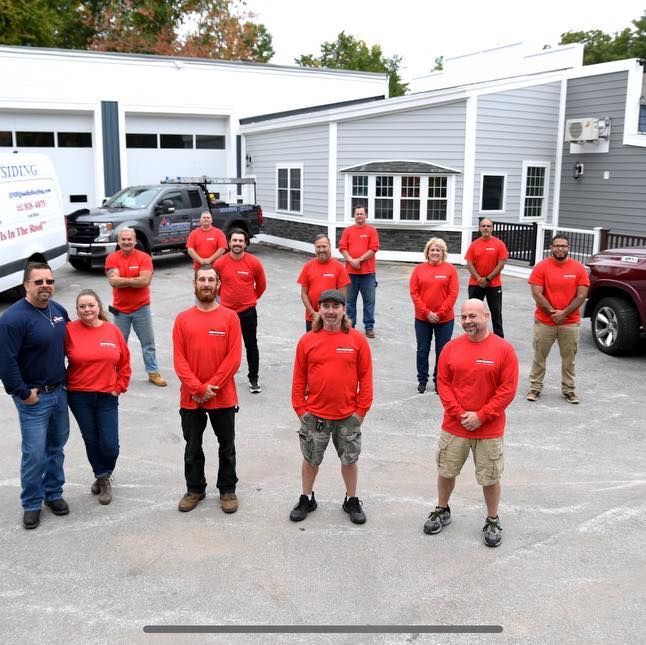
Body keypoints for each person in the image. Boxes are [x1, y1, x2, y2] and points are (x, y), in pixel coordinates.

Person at [424, 299, 518, 547]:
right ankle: (442, 510)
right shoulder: (451, 348)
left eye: (473, 316)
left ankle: (493, 519)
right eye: (464, 317)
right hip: (455, 426)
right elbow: (442, 383)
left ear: (486, 316)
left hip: (489, 429)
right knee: (446, 471)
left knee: (490, 477)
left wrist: (482, 416)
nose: (467, 321)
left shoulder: (504, 350)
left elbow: (507, 390)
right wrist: (459, 413)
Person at [290, 289, 373, 525]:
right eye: (325, 306)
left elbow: (366, 378)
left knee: (349, 460)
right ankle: (307, 497)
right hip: (315, 415)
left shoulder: (357, 340)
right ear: (319, 310)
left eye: (335, 307)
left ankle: (351, 499)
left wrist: (360, 411)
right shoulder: (308, 340)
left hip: (348, 416)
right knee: (310, 459)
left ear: (343, 309)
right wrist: (300, 410)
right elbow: (299, 379)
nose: (330, 311)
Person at [0, 262, 70, 529]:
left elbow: (73, 342)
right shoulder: (12, 319)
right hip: (34, 400)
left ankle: (53, 493)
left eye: (49, 281)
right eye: (39, 282)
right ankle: (31, 502)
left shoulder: (58, 310)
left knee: (56, 448)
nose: (45, 286)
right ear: (26, 285)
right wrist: (22, 393)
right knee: (34, 454)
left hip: (60, 393)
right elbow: (5, 363)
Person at [172, 264, 242, 514]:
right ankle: (195, 489)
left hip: (222, 397)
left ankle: (227, 490)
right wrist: (197, 388)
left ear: (218, 285)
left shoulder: (230, 317)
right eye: (201, 279)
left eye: (211, 279)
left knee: (227, 446)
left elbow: (233, 358)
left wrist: (211, 387)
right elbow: (179, 360)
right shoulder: (182, 319)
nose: (206, 284)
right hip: (191, 398)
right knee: (193, 447)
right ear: (194, 284)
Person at [66, 289, 131, 505]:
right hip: (79, 395)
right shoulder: (69, 331)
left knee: (110, 445)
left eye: (90, 305)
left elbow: (124, 364)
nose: (87, 310)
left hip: (106, 396)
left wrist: (118, 387)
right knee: (91, 440)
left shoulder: (112, 331)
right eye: (82, 306)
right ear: (77, 310)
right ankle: (102, 478)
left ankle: (104, 471)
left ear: (98, 307)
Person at [527, 234, 590, 404]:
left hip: (569, 323)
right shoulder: (541, 267)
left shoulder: (578, 269)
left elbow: (582, 295)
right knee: (539, 356)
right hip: (544, 321)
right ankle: (535, 387)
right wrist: (553, 312)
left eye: (563, 246)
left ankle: (568, 390)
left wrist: (564, 313)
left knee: (569, 359)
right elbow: (536, 293)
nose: (560, 248)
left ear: (568, 248)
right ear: (551, 247)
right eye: (557, 245)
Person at [105, 227, 167, 387]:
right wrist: (135, 280)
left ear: (134, 240)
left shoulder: (144, 258)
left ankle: (153, 372)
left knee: (148, 343)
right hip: (120, 311)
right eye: (123, 239)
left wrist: (123, 281)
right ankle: (118, 374)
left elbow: (145, 281)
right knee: (119, 345)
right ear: (118, 241)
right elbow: (113, 281)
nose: (126, 242)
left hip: (142, 308)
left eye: (129, 239)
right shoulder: (111, 258)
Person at [215, 228, 266, 394]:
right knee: (223, 347)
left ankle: (253, 378)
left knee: (251, 345)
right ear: (229, 243)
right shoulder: (220, 263)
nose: (237, 244)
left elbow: (261, 285)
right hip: (226, 313)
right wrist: (222, 300)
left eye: (240, 241)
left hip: (247, 311)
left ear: (245, 243)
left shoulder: (254, 262)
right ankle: (222, 378)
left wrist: (250, 299)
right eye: (234, 241)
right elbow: (214, 284)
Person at [409, 237, 459, 394]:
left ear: (443, 253)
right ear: (427, 252)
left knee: (442, 351)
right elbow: (414, 292)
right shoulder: (419, 269)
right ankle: (422, 380)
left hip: (445, 319)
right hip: (423, 318)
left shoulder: (450, 270)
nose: (435, 252)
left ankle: (440, 381)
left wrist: (440, 313)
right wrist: (427, 312)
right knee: (422, 350)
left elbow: (453, 294)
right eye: (432, 250)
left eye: (438, 250)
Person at [338, 205, 380, 338]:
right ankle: (350, 326)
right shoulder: (348, 231)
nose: (359, 216)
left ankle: (369, 327)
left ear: (366, 215)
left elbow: (374, 248)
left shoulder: (371, 231)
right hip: (350, 273)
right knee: (350, 302)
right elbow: (342, 247)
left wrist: (359, 260)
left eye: (362, 214)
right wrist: (351, 260)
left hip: (368, 274)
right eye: (357, 214)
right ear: (354, 216)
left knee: (369, 302)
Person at [465, 218, 509, 337]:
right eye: (483, 226)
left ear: (492, 228)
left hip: (493, 284)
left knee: (496, 313)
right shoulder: (474, 244)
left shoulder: (499, 244)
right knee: (473, 312)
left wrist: (488, 279)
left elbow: (501, 264)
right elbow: (469, 263)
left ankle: (499, 339)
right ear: (479, 228)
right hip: (475, 284)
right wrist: (479, 278)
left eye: (488, 226)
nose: (485, 228)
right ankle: (473, 335)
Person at [297, 233, 350, 331]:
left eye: (324, 246)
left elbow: (342, 296)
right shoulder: (308, 266)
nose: (321, 249)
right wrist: (313, 312)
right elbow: (304, 293)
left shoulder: (339, 267)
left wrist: (337, 313)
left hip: (332, 318)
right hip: (313, 317)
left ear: (330, 247)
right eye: (318, 247)